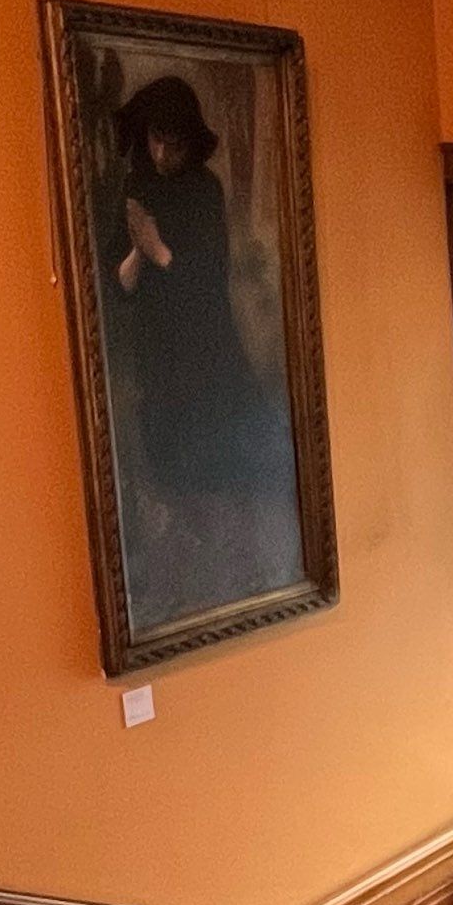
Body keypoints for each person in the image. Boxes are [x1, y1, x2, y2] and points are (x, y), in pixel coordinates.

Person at [102, 75, 300, 623]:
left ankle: (229, 546)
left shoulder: (203, 189)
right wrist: (139, 252)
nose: (163, 154)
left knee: (215, 440)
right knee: (165, 445)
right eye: (155, 141)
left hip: (203, 334)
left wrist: (157, 248)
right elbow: (117, 281)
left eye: (174, 142)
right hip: (156, 338)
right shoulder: (133, 188)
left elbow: (203, 274)